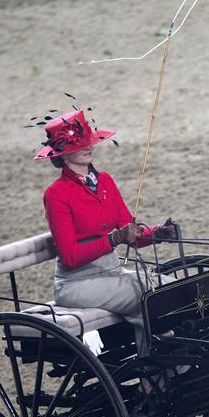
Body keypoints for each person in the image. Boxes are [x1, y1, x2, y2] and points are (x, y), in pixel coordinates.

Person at [35, 109, 177, 366]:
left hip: (111, 273)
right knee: (146, 297)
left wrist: (156, 234)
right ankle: (154, 372)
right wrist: (114, 240)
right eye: (78, 144)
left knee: (169, 286)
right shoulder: (56, 194)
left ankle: (168, 362)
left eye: (87, 141)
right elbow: (70, 255)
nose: (88, 147)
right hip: (77, 283)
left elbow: (129, 232)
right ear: (63, 154)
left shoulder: (105, 182)